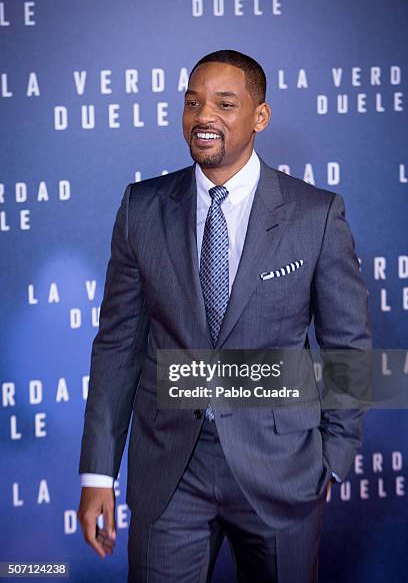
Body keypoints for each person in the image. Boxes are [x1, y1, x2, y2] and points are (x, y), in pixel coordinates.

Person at [77, 50, 372, 582]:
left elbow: (347, 346)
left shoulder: (315, 214)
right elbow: (118, 345)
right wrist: (98, 472)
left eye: (224, 103)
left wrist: (335, 456)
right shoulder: (141, 208)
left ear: (260, 117)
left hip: (283, 470)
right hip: (170, 472)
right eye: (193, 102)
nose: (203, 115)